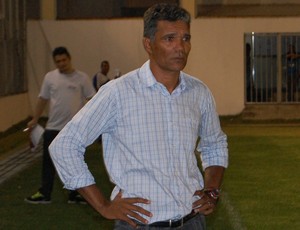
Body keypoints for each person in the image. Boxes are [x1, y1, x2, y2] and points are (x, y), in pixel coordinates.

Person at [49, 3, 228, 230]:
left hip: (192, 222)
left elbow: (215, 143)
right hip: (139, 225)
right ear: (148, 44)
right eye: (170, 39)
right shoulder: (118, 93)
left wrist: (211, 189)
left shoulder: (199, 92)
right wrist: (104, 206)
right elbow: (64, 146)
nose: (180, 47)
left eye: (186, 38)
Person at [24, 46, 96, 204]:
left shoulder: (82, 78)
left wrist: (91, 122)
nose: (61, 64)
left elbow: (92, 100)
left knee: (74, 162)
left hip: (73, 130)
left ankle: (75, 194)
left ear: (69, 59)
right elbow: (42, 99)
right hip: (52, 128)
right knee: (48, 162)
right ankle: (44, 193)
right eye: (58, 62)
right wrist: (35, 119)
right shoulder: (50, 77)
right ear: (55, 63)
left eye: (64, 60)